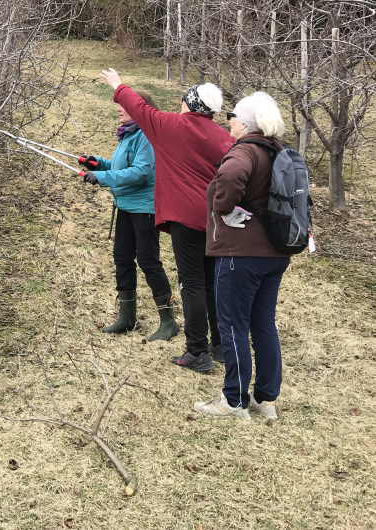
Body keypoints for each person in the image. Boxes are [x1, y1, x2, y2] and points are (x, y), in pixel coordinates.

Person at [100, 69, 234, 372]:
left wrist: (118, 85)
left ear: (190, 104)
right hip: (217, 220)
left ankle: (197, 351)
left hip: (187, 219)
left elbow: (140, 108)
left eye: (184, 100)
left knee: (193, 284)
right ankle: (220, 346)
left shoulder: (173, 126)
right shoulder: (224, 138)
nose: (180, 104)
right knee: (213, 283)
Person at [194, 92, 291, 419]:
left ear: (246, 121)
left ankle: (233, 399)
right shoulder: (277, 150)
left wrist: (223, 207)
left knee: (233, 324)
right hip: (274, 253)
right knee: (263, 323)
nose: (229, 120)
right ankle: (265, 399)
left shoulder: (245, 150)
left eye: (232, 115)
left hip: (241, 254)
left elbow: (233, 176)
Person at [78, 89, 180, 342]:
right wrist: (98, 164)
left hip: (144, 208)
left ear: (138, 107)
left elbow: (142, 172)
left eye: (123, 105)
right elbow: (121, 166)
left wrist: (102, 178)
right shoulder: (128, 134)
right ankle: (127, 317)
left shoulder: (146, 135)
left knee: (148, 260)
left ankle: (168, 320)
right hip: (124, 205)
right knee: (122, 259)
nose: (118, 109)